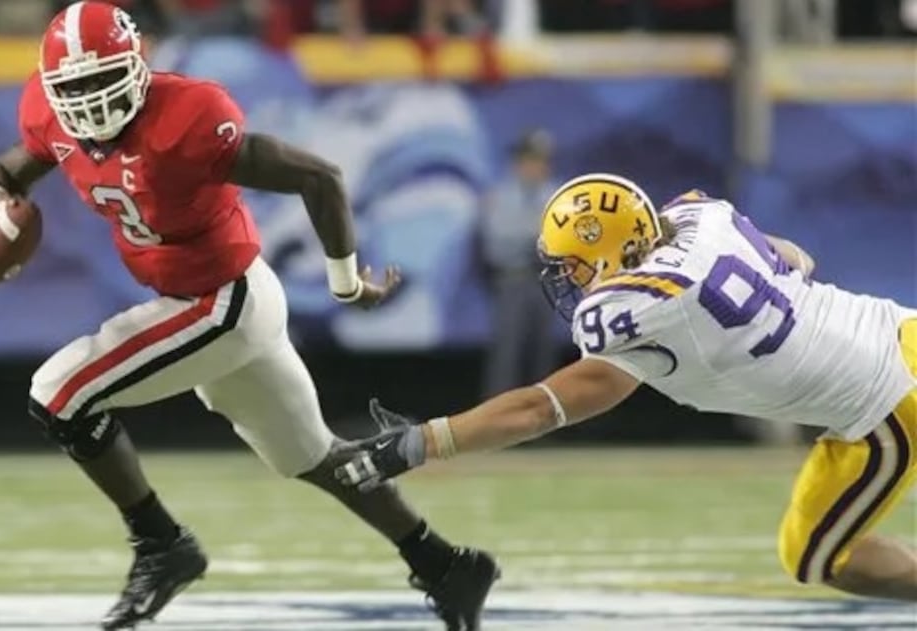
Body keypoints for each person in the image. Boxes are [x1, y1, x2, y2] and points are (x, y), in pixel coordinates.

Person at [0, 2, 498, 629]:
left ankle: (162, 546)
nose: (87, 102)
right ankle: (445, 564)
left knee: (57, 393)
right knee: (316, 457)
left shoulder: (187, 118)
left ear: (137, 68)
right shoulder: (50, 118)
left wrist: (347, 285)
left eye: (99, 81)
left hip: (221, 301)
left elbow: (319, 178)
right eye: (72, 88)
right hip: (211, 301)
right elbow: (7, 169)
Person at [336, 173, 917, 602]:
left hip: (889, 404)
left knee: (825, 554)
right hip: (900, 332)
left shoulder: (641, 307)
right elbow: (797, 256)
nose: (567, 279)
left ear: (620, 251)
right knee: (805, 547)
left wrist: (421, 443)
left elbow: (543, 408)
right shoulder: (702, 218)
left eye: (576, 264)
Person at [480, 129, 559, 397]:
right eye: (528, 159)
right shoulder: (500, 196)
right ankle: (495, 424)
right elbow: (497, 241)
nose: (533, 166)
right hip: (512, 278)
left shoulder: (556, 195)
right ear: (517, 163)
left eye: (539, 160)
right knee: (507, 352)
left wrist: (535, 239)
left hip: (546, 282)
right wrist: (537, 239)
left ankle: (545, 425)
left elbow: (563, 242)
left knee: (542, 354)